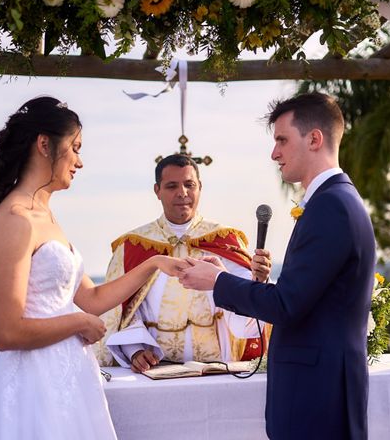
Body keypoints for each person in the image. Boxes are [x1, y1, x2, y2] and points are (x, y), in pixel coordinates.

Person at [0, 97, 185, 440]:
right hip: (32, 387)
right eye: (75, 148)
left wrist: (155, 263)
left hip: (66, 380)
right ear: (44, 144)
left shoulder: (45, 215)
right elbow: (6, 332)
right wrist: (78, 323)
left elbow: (93, 297)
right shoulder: (16, 219)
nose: (80, 162)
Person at [179, 93, 376, 439]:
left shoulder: (332, 206)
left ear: (314, 139)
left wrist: (218, 281)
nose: (274, 154)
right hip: (318, 393)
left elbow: (287, 305)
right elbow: (302, 298)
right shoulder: (332, 201)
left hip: (318, 399)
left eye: (282, 140)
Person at [95, 154, 268, 372]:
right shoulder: (134, 246)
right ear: (157, 190)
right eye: (171, 186)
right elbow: (122, 311)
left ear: (200, 187)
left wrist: (258, 281)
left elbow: (246, 316)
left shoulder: (225, 241)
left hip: (217, 369)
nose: (182, 193)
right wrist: (135, 350)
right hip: (154, 371)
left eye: (189, 184)